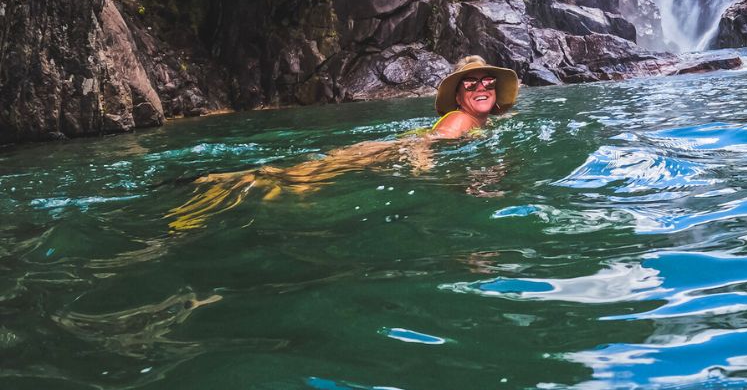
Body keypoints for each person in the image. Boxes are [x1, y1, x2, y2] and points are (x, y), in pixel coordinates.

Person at [166, 56, 519, 230]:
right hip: (387, 151)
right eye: (470, 84)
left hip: (383, 148)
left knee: (305, 175)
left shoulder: (477, 120)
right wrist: (422, 163)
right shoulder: (461, 120)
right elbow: (429, 141)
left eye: (487, 81)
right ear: (458, 96)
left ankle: (231, 181)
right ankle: (225, 182)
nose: (481, 87)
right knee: (300, 178)